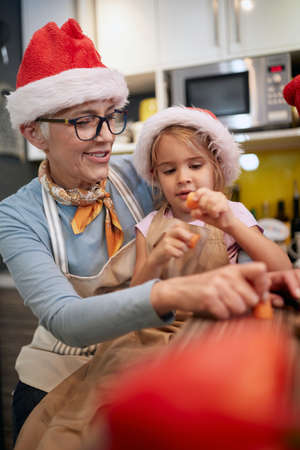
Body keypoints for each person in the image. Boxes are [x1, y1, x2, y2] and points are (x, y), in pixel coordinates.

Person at [0, 18, 274, 444]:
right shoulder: (16, 217)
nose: (106, 138)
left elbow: (199, 160)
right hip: (62, 362)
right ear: (34, 132)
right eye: (84, 122)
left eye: (111, 117)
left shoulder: (146, 175)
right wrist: (175, 292)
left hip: (152, 344)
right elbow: (66, 321)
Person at [131, 106, 292, 287]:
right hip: (172, 316)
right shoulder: (147, 228)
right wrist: (155, 260)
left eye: (195, 166)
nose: (183, 178)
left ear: (216, 168)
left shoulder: (232, 213)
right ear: (156, 176)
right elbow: (133, 299)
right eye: (169, 170)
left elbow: (284, 269)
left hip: (225, 314)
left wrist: (231, 225)